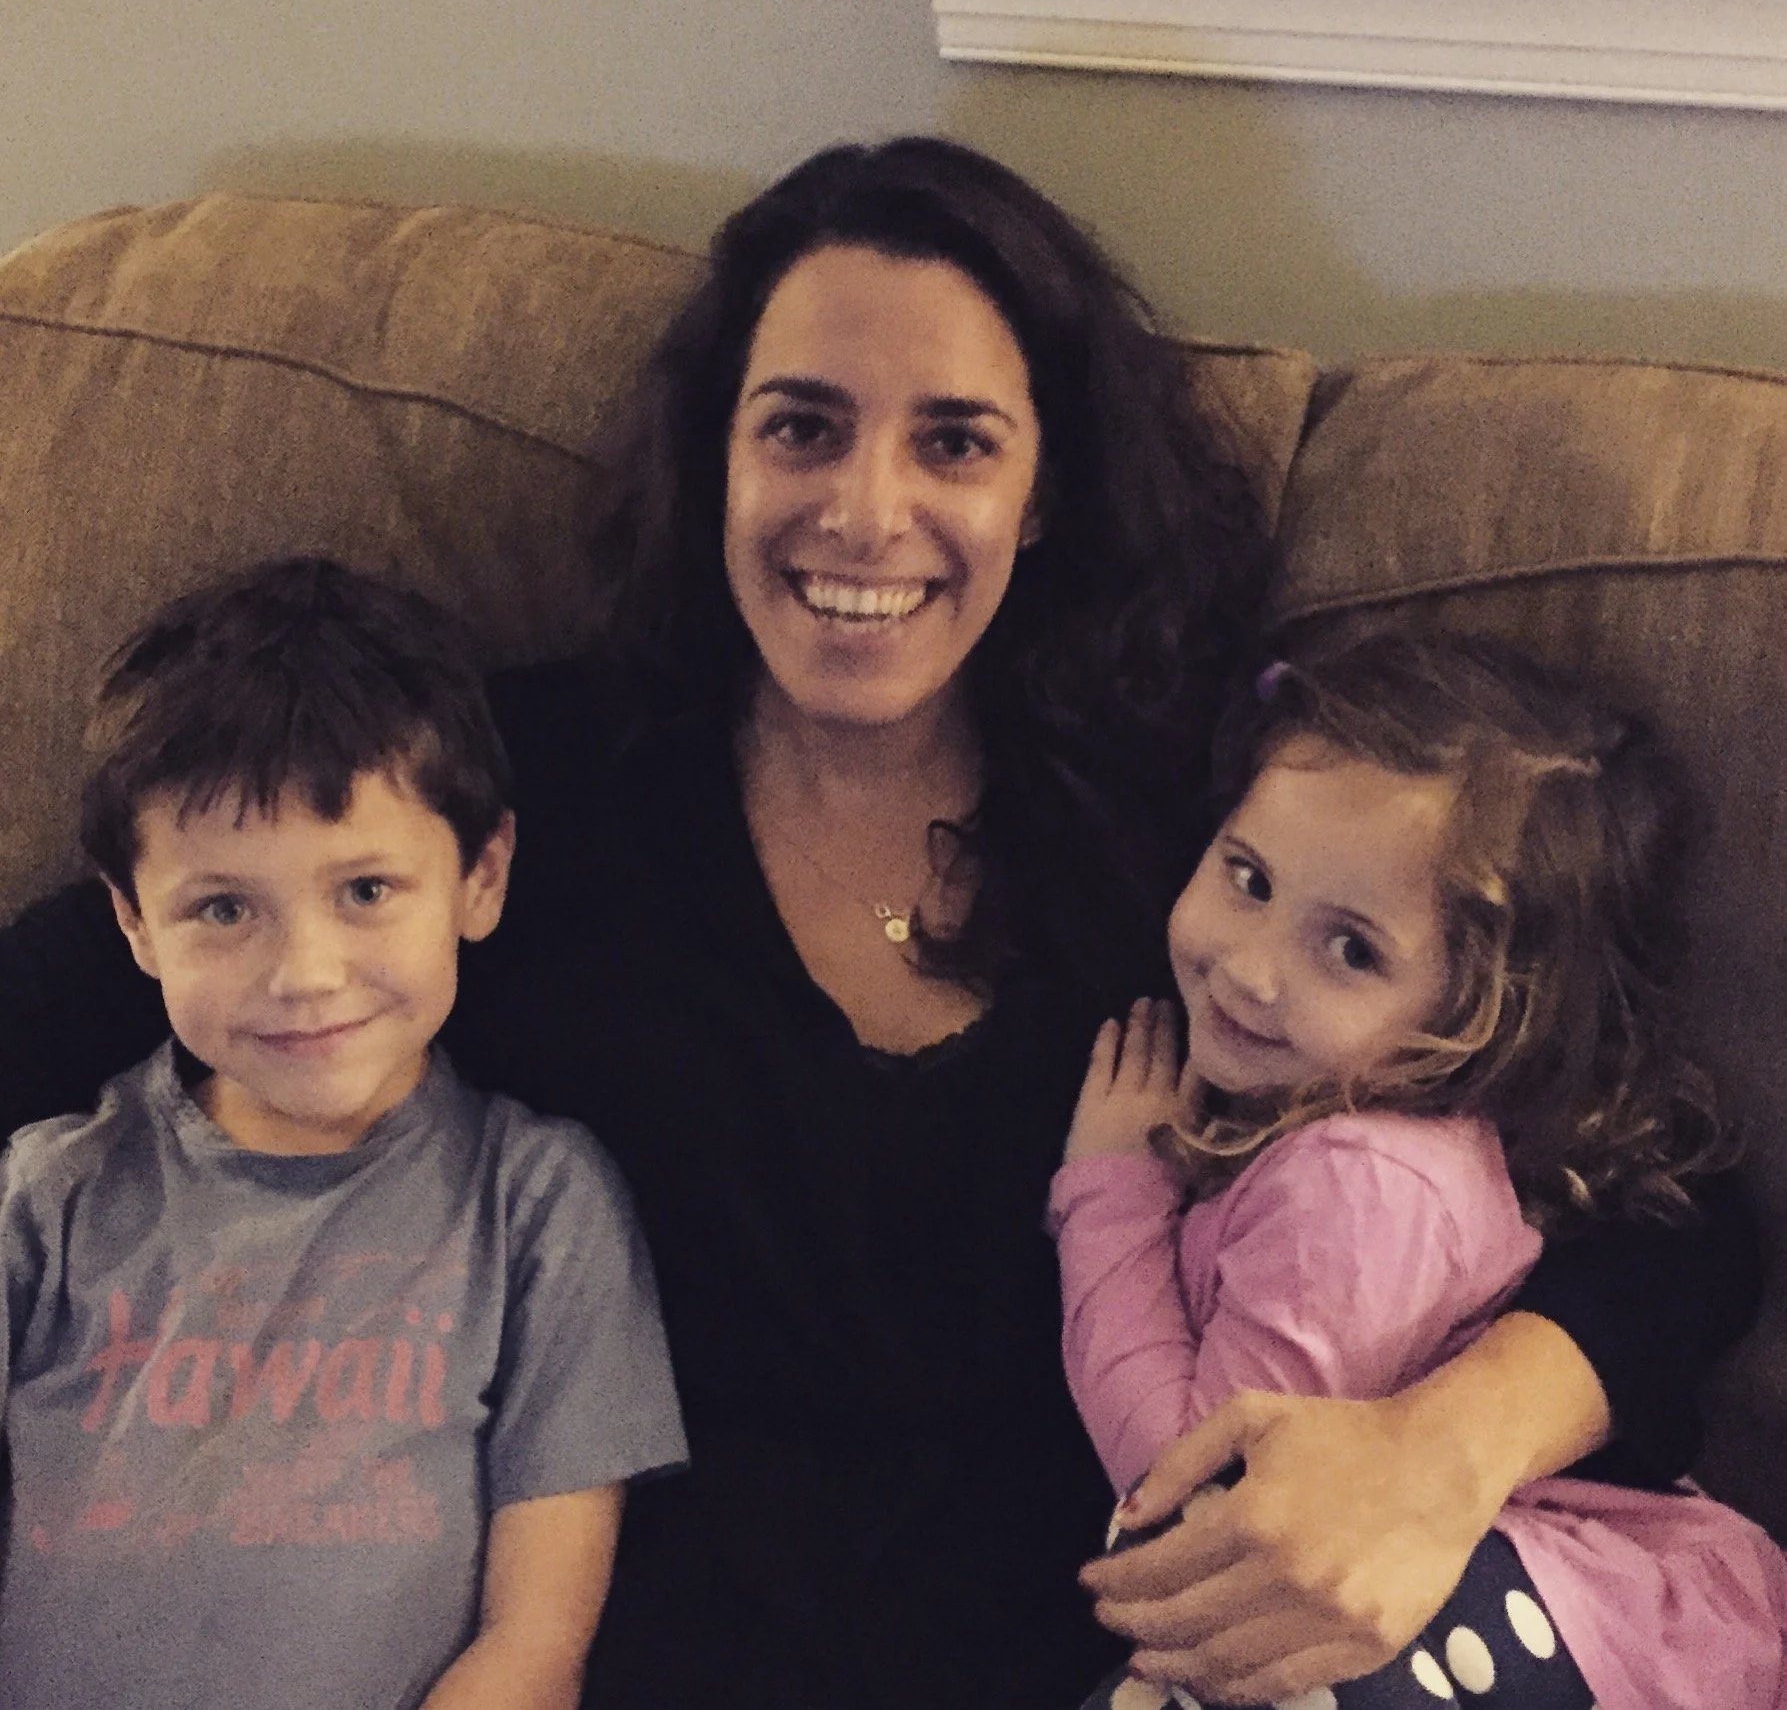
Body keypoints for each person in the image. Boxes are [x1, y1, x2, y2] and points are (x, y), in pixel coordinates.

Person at [0, 139, 1761, 1707]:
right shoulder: (507, 794)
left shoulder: (1217, 849)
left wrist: (1438, 1450)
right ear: (718, 461)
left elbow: (1666, 1200)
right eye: (802, 426)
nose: (863, 511)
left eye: (955, 442)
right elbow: (94, 966)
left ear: (1041, 490)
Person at [0, 560, 687, 1709]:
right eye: (224, 907)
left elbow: (536, 1641)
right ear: (133, 921)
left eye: (366, 889)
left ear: (482, 876)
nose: (303, 973)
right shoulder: (47, 1197)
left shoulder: (538, 1203)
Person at [1055, 632, 1787, 1709]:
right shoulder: (1333, 1122)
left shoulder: (1355, 1185)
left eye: (1351, 948)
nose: (1249, 968)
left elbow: (1192, 1491)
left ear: (1473, 1014)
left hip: (1562, 1620)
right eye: (1246, 876)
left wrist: (1108, 1193)